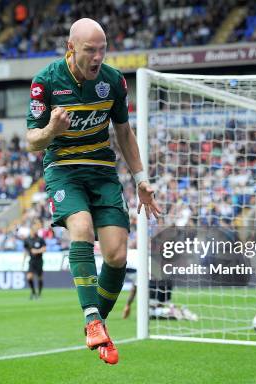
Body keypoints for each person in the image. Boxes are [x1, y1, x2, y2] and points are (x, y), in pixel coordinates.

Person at [26, 18, 161, 365]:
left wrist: (141, 178)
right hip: (64, 171)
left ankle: (95, 324)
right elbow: (32, 141)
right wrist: (52, 129)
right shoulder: (45, 82)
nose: (98, 57)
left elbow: (124, 133)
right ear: (71, 48)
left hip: (102, 172)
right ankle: (92, 319)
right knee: (82, 230)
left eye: (102, 49)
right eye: (90, 50)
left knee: (117, 255)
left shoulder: (113, 81)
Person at [23, 222, 46, 299]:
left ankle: (39, 293)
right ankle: (33, 292)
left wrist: (36, 251)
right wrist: (23, 261)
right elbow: (26, 251)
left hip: (39, 260)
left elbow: (44, 249)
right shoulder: (27, 240)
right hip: (32, 261)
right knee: (29, 277)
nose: (34, 231)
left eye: (35, 230)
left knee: (39, 277)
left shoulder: (40, 239)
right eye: (33, 230)